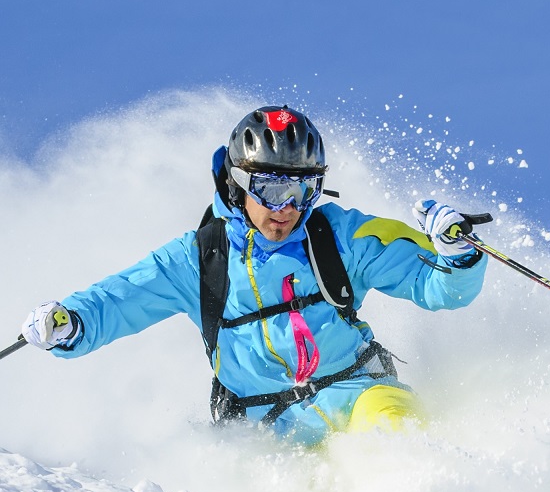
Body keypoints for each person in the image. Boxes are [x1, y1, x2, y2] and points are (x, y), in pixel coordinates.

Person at [21, 105, 488, 447]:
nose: (287, 208)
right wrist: (71, 322)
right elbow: (122, 297)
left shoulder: (340, 236)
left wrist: (457, 254)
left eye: (303, 189)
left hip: (361, 395)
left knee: (395, 436)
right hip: (268, 429)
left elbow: (437, 286)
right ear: (237, 182)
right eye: (271, 189)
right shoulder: (201, 258)